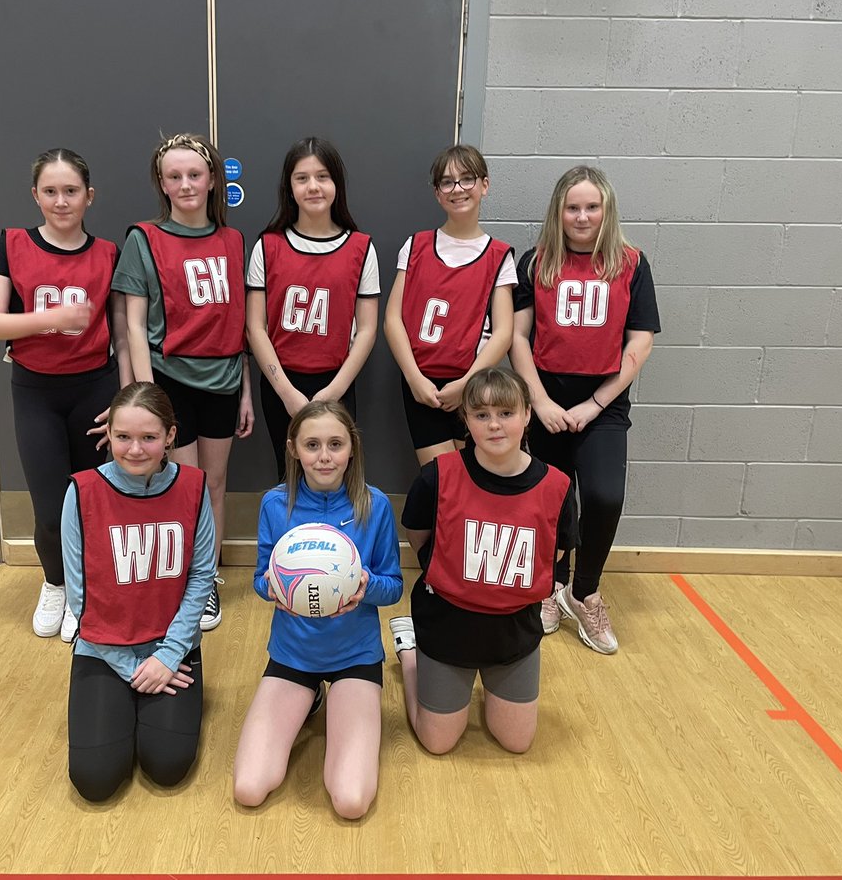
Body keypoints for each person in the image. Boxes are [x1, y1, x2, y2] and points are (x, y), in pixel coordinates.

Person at [0, 147, 129, 642]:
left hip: (95, 390)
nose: (61, 201)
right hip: (36, 392)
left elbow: (122, 332)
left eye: (71, 191)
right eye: (50, 191)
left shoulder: (108, 253)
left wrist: (125, 398)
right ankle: (56, 584)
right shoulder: (12, 244)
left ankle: (87, 593)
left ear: (89, 196)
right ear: (35, 196)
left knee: (93, 500)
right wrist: (52, 319)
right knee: (49, 506)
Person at [509, 165, 660, 655]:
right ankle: (550, 585)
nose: (581, 216)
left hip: (604, 404)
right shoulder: (536, 263)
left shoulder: (631, 264)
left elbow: (640, 342)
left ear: (606, 210)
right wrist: (539, 401)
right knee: (550, 500)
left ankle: (584, 590)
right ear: (558, 211)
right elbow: (518, 338)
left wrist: (595, 405)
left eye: (591, 207)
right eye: (572, 207)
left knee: (604, 496)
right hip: (546, 401)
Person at [389, 367, 578, 756]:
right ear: (466, 419)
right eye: (481, 414)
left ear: (527, 414)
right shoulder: (437, 476)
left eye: (506, 413)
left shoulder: (557, 487)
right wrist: (449, 573)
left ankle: (483, 683)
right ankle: (410, 652)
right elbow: (419, 534)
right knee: (438, 743)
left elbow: (554, 553)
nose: (494, 424)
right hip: (447, 627)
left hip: (513, 632)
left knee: (516, 742)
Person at [111, 133, 253, 632]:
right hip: (171, 381)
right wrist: (150, 400)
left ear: (212, 180)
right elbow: (133, 325)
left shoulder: (233, 240)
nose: (186, 184)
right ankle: (186, 579)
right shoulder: (144, 239)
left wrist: (246, 391)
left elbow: (238, 322)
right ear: (162, 183)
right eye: (175, 176)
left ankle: (207, 577)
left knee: (214, 483)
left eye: (195, 174)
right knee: (184, 485)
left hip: (224, 379)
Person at [233, 401, 402, 819]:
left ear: (351, 448)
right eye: (312, 445)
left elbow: (394, 587)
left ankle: (408, 659)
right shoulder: (275, 504)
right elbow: (260, 579)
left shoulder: (374, 504)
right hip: (294, 655)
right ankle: (308, 696)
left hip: (355, 657)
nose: (324, 456)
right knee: (249, 788)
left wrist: (365, 586)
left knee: (351, 801)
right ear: (293, 449)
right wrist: (272, 587)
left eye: (335, 444)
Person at [62, 382, 215, 801]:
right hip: (104, 648)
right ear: (109, 434)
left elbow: (201, 576)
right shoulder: (82, 492)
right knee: (95, 780)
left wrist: (168, 656)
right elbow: (80, 599)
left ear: (170, 436)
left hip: (171, 648)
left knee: (167, 765)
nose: (134, 449)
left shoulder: (194, 486)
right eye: (123, 436)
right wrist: (130, 668)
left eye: (148, 437)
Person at [246, 138, 380, 481]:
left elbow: (367, 330)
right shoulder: (268, 245)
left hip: (336, 382)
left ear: (337, 183)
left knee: (335, 477)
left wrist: (333, 392)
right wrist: (286, 392)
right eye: (302, 178)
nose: (313, 186)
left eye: (322, 176)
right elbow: (255, 327)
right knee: (289, 476)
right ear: (289, 188)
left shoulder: (361, 248)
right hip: (281, 383)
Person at [383, 144, 517, 466]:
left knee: (473, 474)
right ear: (437, 193)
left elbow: (503, 332)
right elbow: (392, 320)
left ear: (484, 185)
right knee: (440, 476)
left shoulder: (499, 256)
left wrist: (467, 382)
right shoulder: (416, 246)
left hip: (472, 382)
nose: (457, 189)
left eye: (467, 179)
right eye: (447, 182)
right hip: (422, 383)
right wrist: (414, 378)